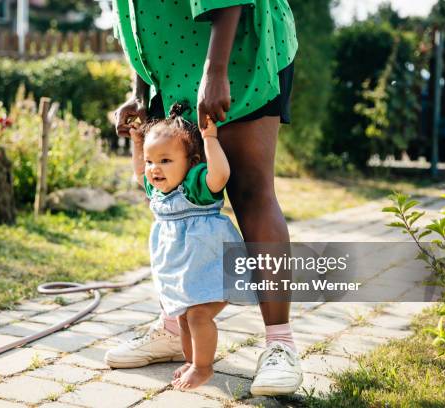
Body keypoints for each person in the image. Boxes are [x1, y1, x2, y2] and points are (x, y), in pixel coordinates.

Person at [106, 0, 302, 396]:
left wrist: (216, 73)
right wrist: (139, 90)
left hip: (239, 50)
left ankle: (280, 345)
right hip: (174, 65)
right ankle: (173, 327)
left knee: (250, 190)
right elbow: (135, 17)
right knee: (171, 187)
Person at [129, 102, 240, 388]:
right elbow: (139, 172)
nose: (155, 168)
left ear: (190, 162)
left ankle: (203, 367)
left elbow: (221, 176)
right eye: (152, 160)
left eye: (165, 161)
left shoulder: (195, 185)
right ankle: (191, 361)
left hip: (211, 266)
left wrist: (210, 139)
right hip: (183, 273)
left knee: (199, 315)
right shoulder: (158, 189)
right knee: (183, 317)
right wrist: (136, 141)